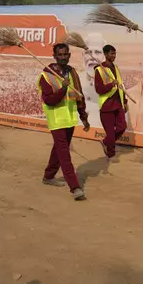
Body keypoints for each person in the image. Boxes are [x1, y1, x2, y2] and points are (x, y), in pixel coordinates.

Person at [37, 43, 91, 201]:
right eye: (59, 55)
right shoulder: (46, 76)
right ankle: (75, 187)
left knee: (60, 149)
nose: (63, 57)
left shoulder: (72, 72)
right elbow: (49, 100)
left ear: (69, 55)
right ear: (54, 56)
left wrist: (84, 117)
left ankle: (48, 176)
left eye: (65, 54)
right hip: (56, 120)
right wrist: (62, 89)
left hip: (69, 118)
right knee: (65, 154)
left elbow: (78, 95)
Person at [94, 44, 128, 161]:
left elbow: (120, 85)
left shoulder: (116, 68)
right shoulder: (99, 70)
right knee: (110, 132)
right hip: (107, 105)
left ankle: (105, 142)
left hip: (118, 103)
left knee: (122, 126)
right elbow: (99, 89)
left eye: (115, 53)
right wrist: (111, 85)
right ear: (105, 54)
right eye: (111, 53)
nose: (114, 56)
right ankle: (111, 154)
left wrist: (125, 101)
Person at [79, 32, 107, 128]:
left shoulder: (114, 83)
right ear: (83, 55)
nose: (92, 57)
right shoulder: (75, 81)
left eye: (97, 52)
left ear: (104, 56)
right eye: (88, 52)